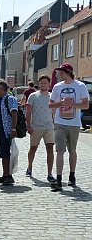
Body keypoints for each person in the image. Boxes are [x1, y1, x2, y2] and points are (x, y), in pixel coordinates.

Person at [48, 63, 89, 191]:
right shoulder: (57, 86)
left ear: (68, 72)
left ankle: (72, 175)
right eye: (59, 72)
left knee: (72, 150)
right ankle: (59, 180)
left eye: (62, 72)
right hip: (59, 123)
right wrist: (61, 103)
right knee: (60, 151)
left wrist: (73, 104)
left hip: (74, 124)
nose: (60, 74)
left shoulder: (80, 86)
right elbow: (50, 105)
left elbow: (86, 105)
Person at [25, 75, 55, 182]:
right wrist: (28, 125)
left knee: (50, 149)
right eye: (41, 83)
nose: (43, 85)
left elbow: (54, 112)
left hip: (49, 127)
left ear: (49, 84)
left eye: (45, 83)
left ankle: (50, 173)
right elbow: (28, 112)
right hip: (36, 127)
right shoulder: (33, 96)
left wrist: (55, 125)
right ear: (39, 84)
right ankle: (29, 167)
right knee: (33, 148)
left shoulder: (52, 96)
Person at [0, 79, 18, 185]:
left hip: (7, 131)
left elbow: (14, 114)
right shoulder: (0, 100)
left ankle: (8, 176)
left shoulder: (9, 99)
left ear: (1, 89)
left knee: (7, 153)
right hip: (1, 131)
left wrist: (13, 129)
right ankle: (5, 174)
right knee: (3, 153)